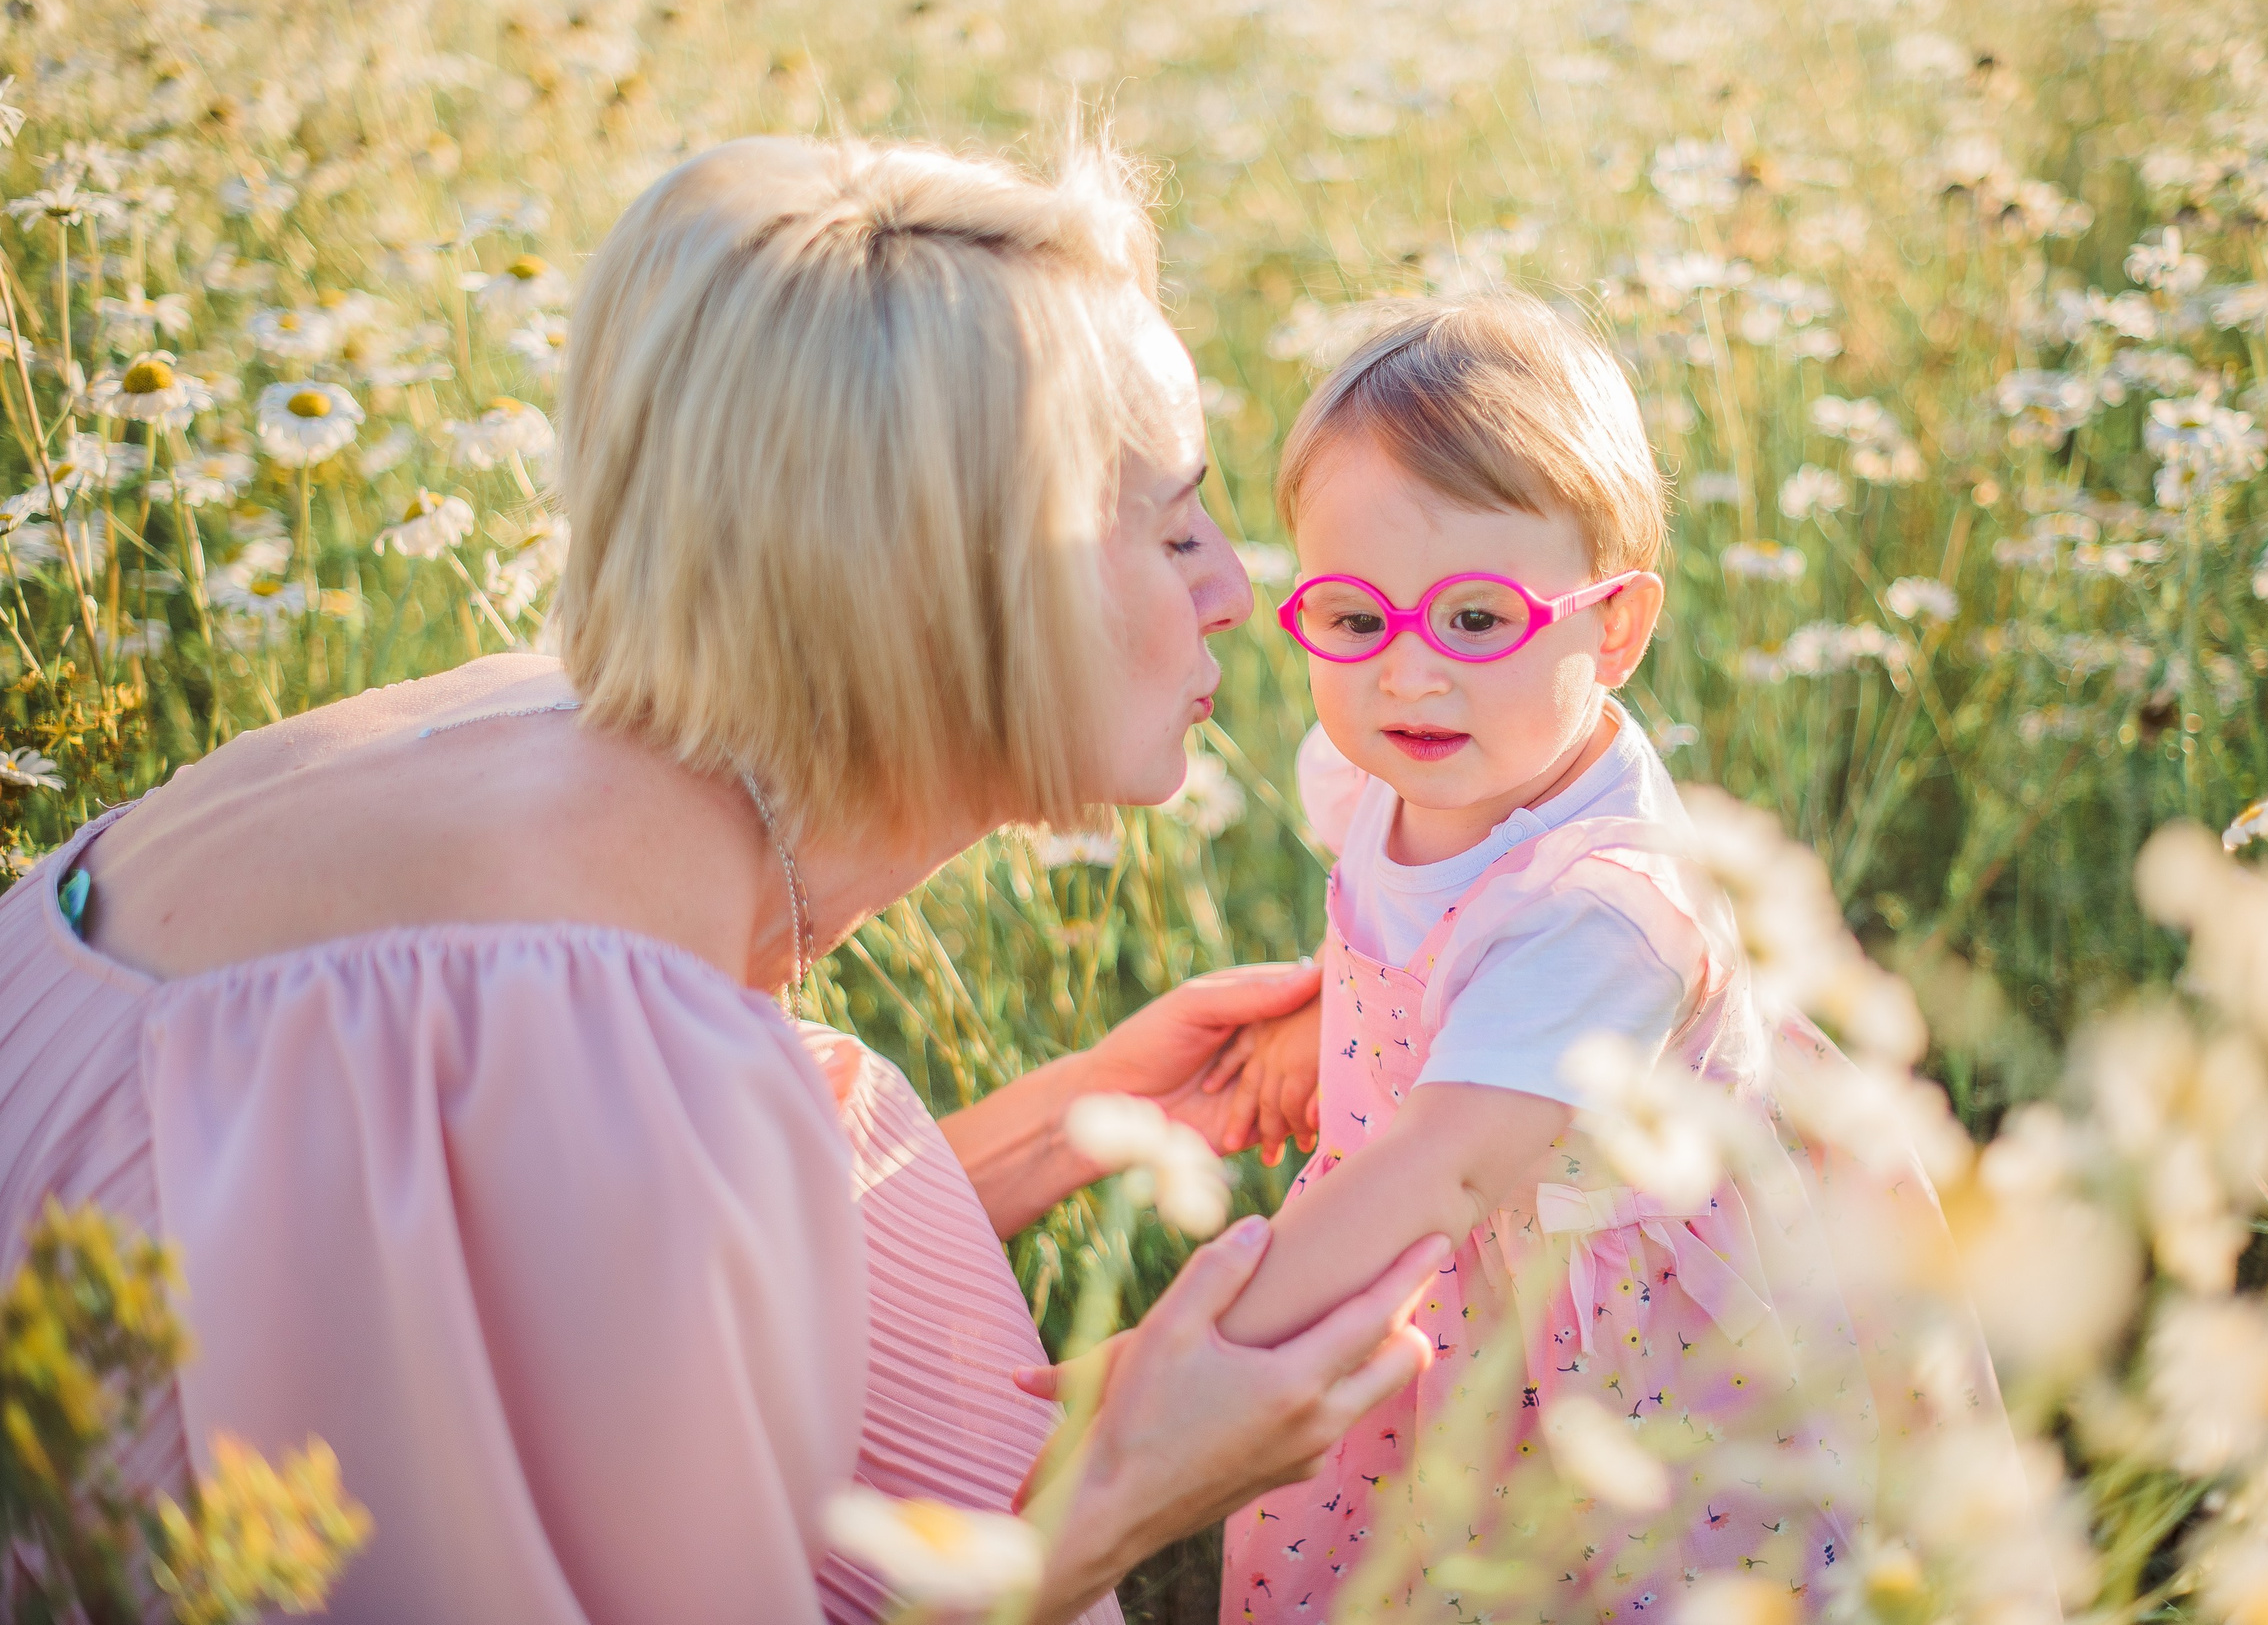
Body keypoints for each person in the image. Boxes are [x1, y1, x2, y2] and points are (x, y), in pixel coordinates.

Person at [0, 135, 1441, 1624]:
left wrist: (1088, 1115)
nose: (1236, 589)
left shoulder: (543, 755)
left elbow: (555, 1309)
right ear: (968, 578)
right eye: (1176, 523)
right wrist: (1134, 1492)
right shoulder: (585, 996)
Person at [1213, 298, 1910, 1620]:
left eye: (1477, 617)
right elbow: (1418, 937)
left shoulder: (1602, 914)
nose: (1408, 674)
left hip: (1605, 1342)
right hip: (1437, 1263)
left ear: (1616, 628)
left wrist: (1201, 1346)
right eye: (1353, 619)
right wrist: (1333, 1011)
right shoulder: (1387, 771)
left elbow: (1452, 1160)